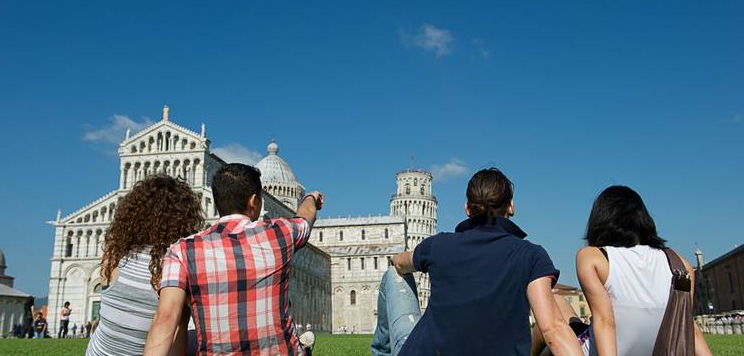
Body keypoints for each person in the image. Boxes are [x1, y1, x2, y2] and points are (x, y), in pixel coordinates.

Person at [371, 168, 581, 356]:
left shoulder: (439, 245)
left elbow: (400, 263)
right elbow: (552, 329)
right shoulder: (531, 255)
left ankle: (380, 352)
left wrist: (398, 260)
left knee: (393, 272)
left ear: (467, 209)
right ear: (511, 207)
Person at [144, 163, 324, 356]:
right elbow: (305, 217)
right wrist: (310, 198)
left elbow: (165, 319)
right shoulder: (280, 233)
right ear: (254, 201)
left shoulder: (181, 251)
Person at [535, 186, 712, 356]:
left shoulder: (593, 257)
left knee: (553, 306)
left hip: (602, 351)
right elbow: (688, 326)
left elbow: (606, 322)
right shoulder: (681, 264)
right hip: (658, 350)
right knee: (562, 308)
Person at [86, 175, 204, 356]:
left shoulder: (113, 253)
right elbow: (174, 340)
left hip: (96, 352)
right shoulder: (171, 266)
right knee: (198, 337)